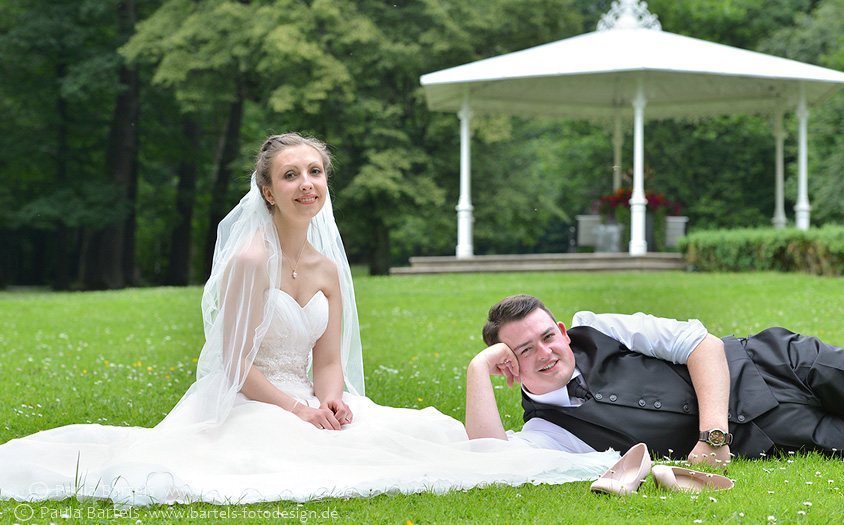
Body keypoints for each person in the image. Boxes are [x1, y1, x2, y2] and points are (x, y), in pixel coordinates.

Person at [0, 135, 619, 507]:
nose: (306, 184)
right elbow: (235, 366)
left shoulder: (326, 268)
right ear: (268, 190)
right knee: (295, 462)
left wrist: (331, 400)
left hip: (308, 398)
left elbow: (327, 358)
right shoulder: (249, 261)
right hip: (248, 401)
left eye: (315, 172)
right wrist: (298, 412)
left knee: (413, 443)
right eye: (290, 175)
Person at [466, 294, 844, 468]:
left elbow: (703, 345)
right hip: (767, 433)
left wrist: (713, 437)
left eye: (548, 337)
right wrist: (478, 369)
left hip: (777, 363)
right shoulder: (545, 432)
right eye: (525, 350)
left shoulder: (596, 327)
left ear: (562, 332)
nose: (546, 353)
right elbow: (491, 461)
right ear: (508, 365)